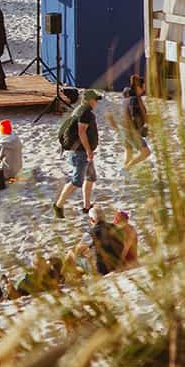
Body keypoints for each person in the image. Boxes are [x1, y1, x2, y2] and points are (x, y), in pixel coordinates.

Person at [53, 90, 101, 219]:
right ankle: (58, 205)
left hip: (81, 151)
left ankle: (86, 206)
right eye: (95, 99)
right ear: (89, 100)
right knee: (76, 181)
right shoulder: (85, 113)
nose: (96, 102)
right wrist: (88, 151)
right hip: (80, 153)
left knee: (91, 177)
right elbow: (82, 132)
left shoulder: (80, 110)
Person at [74, 205, 125, 276]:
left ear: (92, 220)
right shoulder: (116, 228)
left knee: (74, 256)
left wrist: (88, 251)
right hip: (120, 265)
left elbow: (77, 251)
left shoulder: (91, 233)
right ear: (104, 217)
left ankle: (67, 279)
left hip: (102, 271)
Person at [121, 74, 152, 168]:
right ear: (139, 86)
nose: (144, 88)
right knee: (146, 152)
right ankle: (126, 169)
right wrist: (142, 127)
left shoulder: (127, 98)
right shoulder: (135, 100)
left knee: (128, 155)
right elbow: (135, 116)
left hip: (124, 129)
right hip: (132, 131)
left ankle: (126, 178)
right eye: (144, 86)